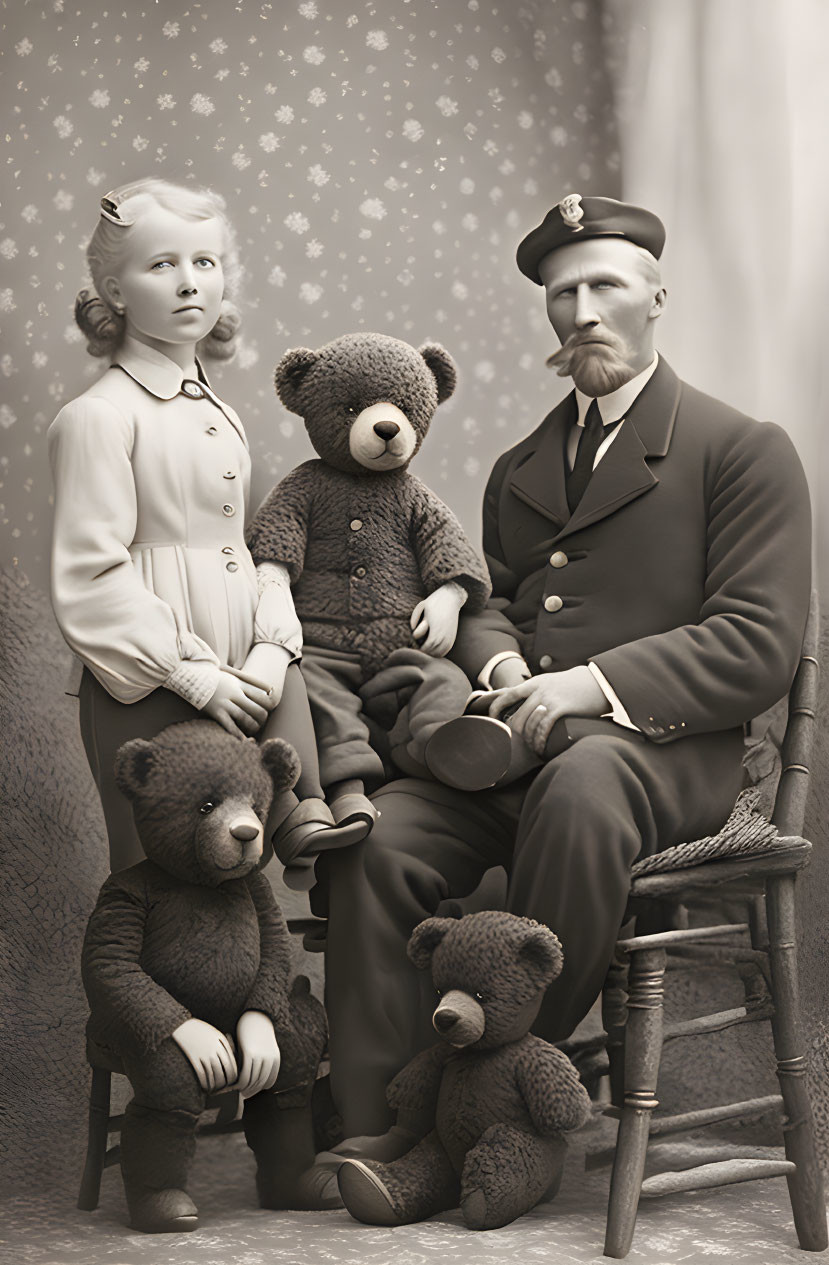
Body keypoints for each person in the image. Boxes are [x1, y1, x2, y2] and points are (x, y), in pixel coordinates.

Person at [320, 194, 813, 1143]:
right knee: (378, 836)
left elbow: (757, 640)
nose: (582, 309)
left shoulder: (741, 450)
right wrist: (497, 654)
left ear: (656, 296)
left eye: (605, 285)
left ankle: (495, 1109)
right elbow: (483, 597)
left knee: (584, 784)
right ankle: (382, 1119)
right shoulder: (518, 466)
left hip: (666, 760)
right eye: (561, 292)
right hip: (517, 748)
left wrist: (584, 687)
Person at [48, 178, 365, 876]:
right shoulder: (99, 417)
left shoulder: (217, 411)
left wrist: (266, 649)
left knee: (237, 873)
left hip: (239, 663)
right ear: (117, 290)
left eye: (205, 262)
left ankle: (307, 815)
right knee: (159, 879)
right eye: (162, 264)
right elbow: (89, 576)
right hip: (145, 676)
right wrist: (194, 676)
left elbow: (239, 547)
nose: (190, 282)